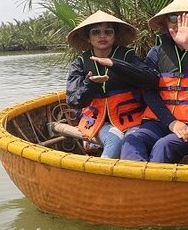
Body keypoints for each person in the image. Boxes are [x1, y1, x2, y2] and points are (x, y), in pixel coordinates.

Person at [120, 0, 188, 163]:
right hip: (160, 121)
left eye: (186, 18)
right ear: (165, 23)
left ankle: (155, 187)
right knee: (132, 140)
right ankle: (136, 186)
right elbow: (149, 91)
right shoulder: (156, 52)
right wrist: (172, 123)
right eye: (174, 18)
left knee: (163, 146)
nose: (179, 23)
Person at [66, 10, 159, 158]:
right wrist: (89, 84)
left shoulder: (128, 56)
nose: (102, 36)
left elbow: (151, 80)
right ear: (88, 38)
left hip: (131, 118)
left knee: (132, 140)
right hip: (96, 121)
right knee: (115, 139)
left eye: (108, 32)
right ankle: (101, 177)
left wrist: (116, 65)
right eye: (96, 32)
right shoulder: (81, 63)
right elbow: (74, 100)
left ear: (114, 36)